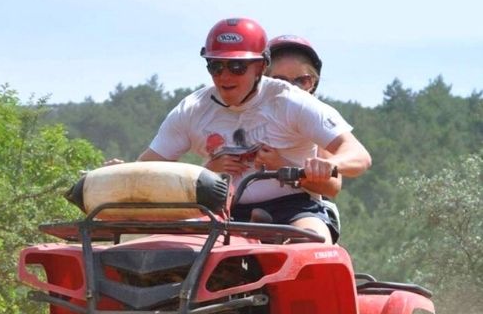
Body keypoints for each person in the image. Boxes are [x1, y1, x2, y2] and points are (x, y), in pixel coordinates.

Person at [138, 17, 371, 244]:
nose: (225, 76)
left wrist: (330, 164)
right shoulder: (192, 109)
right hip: (221, 213)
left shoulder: (292, 102)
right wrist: (206, 174)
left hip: (294, 209)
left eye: (237, 66)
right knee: (163, 251)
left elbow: (359, 155)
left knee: (311, 245)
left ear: (260, 67)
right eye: (215, 66)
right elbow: (146, 168)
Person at [267, 34, 342, 228]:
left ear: (313, 83)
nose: (292, 89)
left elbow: (332, 187)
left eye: (302, 80)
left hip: (300, 210)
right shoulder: (244, 115)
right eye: (280, 81)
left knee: (313, 241)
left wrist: (281, 165)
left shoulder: (315, 120)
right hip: (237, 211)